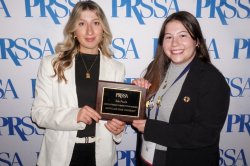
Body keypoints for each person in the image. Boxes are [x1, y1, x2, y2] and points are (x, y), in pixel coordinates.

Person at [31, 1, 126, 166]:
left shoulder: (117, 68)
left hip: (101, 158)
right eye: (82, 23)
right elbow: (39, 113)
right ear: (73, 30)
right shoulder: (52, 64)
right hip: (59, 157)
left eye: (95, 23)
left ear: (103, 29)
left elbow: (116, 115)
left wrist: (118, 129)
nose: (89, 30)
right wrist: (74, 115)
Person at [132, 11, 230, 166]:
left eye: (182, 36)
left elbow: (205, 134)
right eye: (169, 37)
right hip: (148, 156)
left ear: (196, 41)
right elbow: (148, 112)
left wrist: (152, 129)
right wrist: (138, 95)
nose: (174, 43)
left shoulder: (212, 80)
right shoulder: (155, 69)